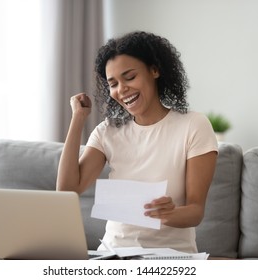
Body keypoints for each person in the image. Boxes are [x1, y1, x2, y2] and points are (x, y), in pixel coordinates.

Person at [57, 31, 218, 253]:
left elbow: (195, 211)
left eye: (130, 77)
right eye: (113, 83)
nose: (121, 89)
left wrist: (168, 214)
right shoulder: (107, 131)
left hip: (170, 257)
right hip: (113, 254)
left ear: (155, 70)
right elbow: (67, 190)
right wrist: (78, 119)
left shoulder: (194, 125)